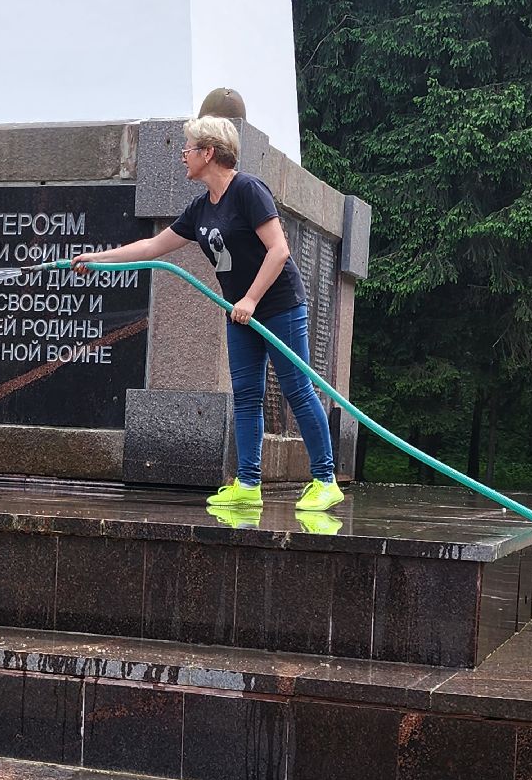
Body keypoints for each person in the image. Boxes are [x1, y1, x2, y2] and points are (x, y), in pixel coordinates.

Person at [71, 115, 343, 513]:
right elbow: (151, 248)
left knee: (296, 389)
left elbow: (279, 250)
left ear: (208, 152)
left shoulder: (249, 190)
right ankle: (248, 484)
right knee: (246, 397)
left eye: (188, 150)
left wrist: (250, 300)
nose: (182, 157)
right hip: (240, 313)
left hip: (278, 304)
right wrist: (99, 260)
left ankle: (325, 480)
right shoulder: (200, 208)